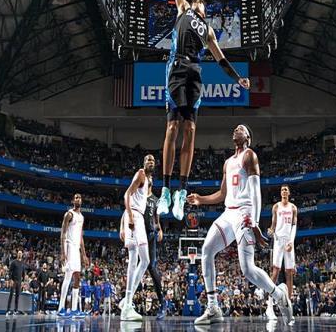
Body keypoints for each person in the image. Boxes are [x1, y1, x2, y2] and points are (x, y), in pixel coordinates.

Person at [157, 0, 250, 220]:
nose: (199, 2)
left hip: (195, 73)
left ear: (205, 9)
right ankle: (165, 189)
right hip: (176, 67)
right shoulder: (183, 8)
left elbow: (221, 59)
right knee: (172, 126)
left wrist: (238, 79)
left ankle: (181, 191)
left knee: (191, 129)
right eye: (198, 0)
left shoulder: (208, 31)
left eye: (202, 2)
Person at [187, 125, 293, 325]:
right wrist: (201, 199)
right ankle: (213, 307)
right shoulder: (228, 162)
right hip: (229, 213)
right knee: (207, 250)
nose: (236, 129)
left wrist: (254, 221)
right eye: (235, 129)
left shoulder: (249, 156)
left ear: (248, 138)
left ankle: (279, 295)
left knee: (248, 269)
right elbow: (222, 194)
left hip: (245, 212)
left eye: (241, 129)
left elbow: (255, 191)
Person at [120, 172, 166, 320]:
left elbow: (156, 217)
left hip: (149, 234)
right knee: (137, 260)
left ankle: (160, 303)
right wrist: (122, 227)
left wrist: (160, 229)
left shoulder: (155, 200)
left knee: (150, 265)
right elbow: (127, 207)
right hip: (137, 227)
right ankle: (128, 302)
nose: (149, 178)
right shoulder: (138, 192)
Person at [119, 154, 155, 321]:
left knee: (142, 260)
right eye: (148, 160)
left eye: (153, 160)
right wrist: (129, 220)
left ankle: (126, 301)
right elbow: (127, 195)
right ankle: (127, 306)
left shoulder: (148, 180)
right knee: (137, 259)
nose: (151, 162)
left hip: (136, 216)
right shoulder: (140, 174)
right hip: (134, 216)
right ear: (144, 163)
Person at [265, 185, 298, 320]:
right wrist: (271, 230)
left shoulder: (293, 208)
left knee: (289, 273)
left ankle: (288, 307)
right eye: (282, 190)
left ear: (289, 193)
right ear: (280, 193)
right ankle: (269, 306)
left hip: (289, 241)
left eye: (286, 190)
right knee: (275, 271)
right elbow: (273, 224)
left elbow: (294, 226)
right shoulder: (276, 207)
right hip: (278, 241)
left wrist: (291, 242)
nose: (284, 191)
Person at [57, 193, 88, 319]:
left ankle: (74, 309)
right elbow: (63, 233)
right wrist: (63, 252)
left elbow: (81, 236)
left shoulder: (82, 217)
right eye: (76, 197)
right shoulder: (69, 214)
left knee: (77, 278)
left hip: (76, 248)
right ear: (72, 201)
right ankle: (61, 308)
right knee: (68, 276)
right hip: (69, 246)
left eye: (80, 197)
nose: (78, 199)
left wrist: (84, 254)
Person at [6, 250, 26, 315]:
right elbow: (10, 271)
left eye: (21, 253)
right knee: (11, 295)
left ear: (22, 255)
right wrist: (10, 279)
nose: (20, 254)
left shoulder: (23, 263)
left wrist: (23, 281)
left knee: (17, 296)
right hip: (14, 280)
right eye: (19, 253)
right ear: (17, 254)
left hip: (19, 281)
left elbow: (23, 273)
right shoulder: (14, 262)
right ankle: (8, 310)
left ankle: (16, 310)